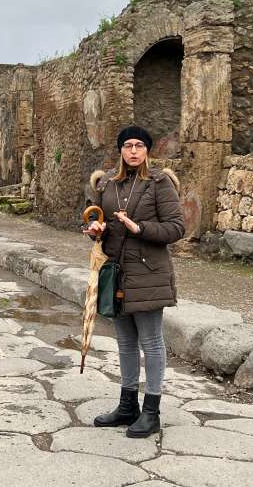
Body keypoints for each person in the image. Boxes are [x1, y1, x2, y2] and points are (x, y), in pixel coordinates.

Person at [84, 126, 185, 438]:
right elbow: (92, 215)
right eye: (127, 145)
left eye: (139, 145)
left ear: (147, 151)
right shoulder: (108, 184)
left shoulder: (159, 183)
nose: (133, 150)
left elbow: (177, 227)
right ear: (120, 150)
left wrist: (140, 228)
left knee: (151, 342)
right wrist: (95, 228)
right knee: (125, 342)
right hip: (116, 272)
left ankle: (151, 411)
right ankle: (128, 405)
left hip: (149, 274)